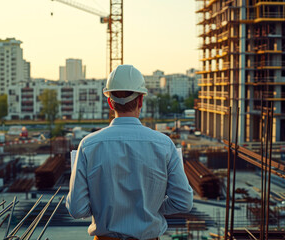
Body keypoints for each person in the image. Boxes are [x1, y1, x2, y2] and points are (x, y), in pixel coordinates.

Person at [66, 65, 193, 240]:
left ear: (110, 102)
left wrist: (102, 206)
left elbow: (77, 209)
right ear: (141, 100)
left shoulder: (88, 145)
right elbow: (183, 202)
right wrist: (152, 206)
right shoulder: (164, 144)